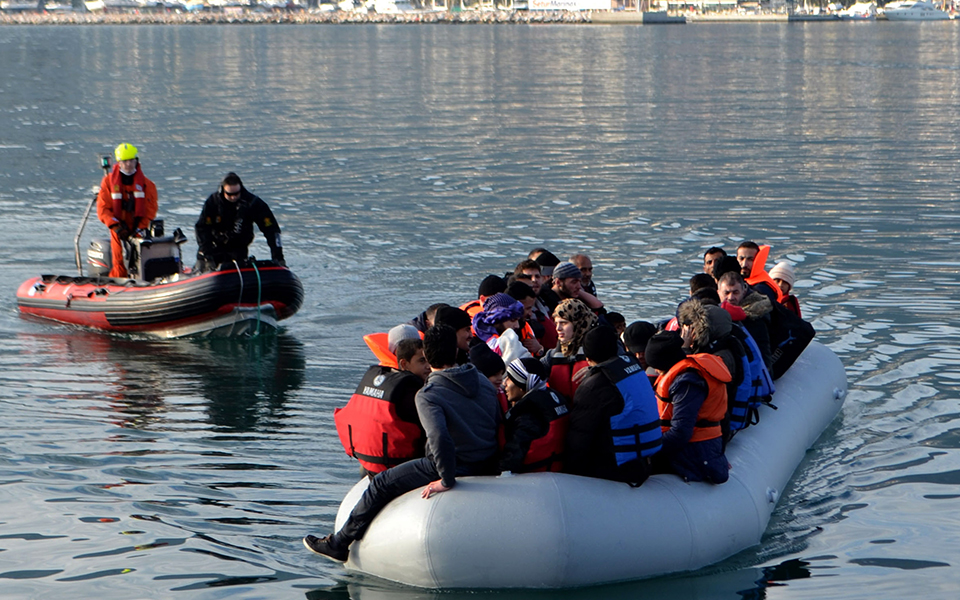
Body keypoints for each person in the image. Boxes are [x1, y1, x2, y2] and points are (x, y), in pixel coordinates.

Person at [305, 325, 500, 563]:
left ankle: (338, 543)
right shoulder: (480, 379)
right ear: (456, 351)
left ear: (427, 356)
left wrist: (445, 479)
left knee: (382, 483)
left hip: (455, 466)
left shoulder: (429, 394)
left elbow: (439, 437)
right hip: (488, 461)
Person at [564, 327, 662, 485]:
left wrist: (567, 476)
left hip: (618, 469)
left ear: (587, 358)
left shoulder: (593, 387)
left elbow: (579, 440)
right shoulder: (634, 367)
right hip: (644, 461)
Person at [333, 336, 430, 477]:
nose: (428, 366)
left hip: (368, 463)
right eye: (422, 361)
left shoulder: (377, 379)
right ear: (404, 364)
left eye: (428, 360)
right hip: (397, 467)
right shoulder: (411, 391)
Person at [646, 330, 731, 484]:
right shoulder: (688, 369)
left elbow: (681, 433)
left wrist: (647, 450)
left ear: (662, 363)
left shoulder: (687, 383)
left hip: (696, 450)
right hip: (703, 444)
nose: (656, 372)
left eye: (655, 367)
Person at [195, 172, 284, 272]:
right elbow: (202, 229)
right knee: (204, 269)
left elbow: (272, 230)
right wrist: (207, 255)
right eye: (229, 194)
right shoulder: (213, 202)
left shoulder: (252, 203)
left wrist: (278, 257)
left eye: (236, 194)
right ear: (223, 191)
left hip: (238, 249)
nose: (233, 197)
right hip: (213, 248)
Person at [96, 142, 159, 278]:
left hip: (138, 230)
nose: (129, 164)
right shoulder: (108, 183)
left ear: (136, 161)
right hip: (118, 230)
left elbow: (150, 210)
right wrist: (117, 227)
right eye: (125, 161)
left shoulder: (147, 185)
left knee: (142, 261)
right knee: (119, 262)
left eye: (131, 160)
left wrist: (140, 227)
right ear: (119, 163)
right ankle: (118, 284)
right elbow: (103, 209)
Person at [500, 357, 570, 474]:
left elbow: (512, 459)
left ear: (522, 386)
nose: (504, 383)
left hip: (532, 480)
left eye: (510, 379)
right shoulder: (550, 399)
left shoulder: (529, 416)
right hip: (556, 474)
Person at [541, 299, 597, 400]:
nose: (558, 328)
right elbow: (536, 370)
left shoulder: (601, 346)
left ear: (578, 323)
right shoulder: (553, 354)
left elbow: (617, 367)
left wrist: (597, 370)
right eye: (556, 323)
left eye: (564, 323)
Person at [718, 271, 774, 369]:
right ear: (718, 293)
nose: (731, 298)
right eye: (726, 293)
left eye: (735, 292)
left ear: (744, 291)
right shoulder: (715, 314)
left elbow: (763, 353)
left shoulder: (756, 316)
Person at [471, 293, 532, 366]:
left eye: (518, 320)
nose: (517, 326)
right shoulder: (476, 344)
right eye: (512, 320)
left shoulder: (516, 335)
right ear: (497, 320)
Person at [513, 259, 558, 350]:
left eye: (537, 276)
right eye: (529, 277)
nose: (534, 280)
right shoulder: (514, 311)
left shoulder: (548, 301)